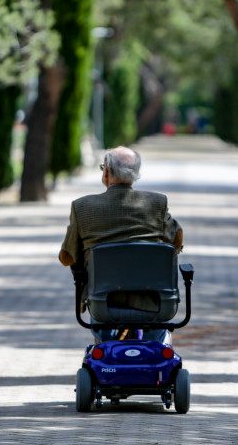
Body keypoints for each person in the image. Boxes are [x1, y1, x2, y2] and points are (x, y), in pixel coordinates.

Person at [59, 146, 183, 343]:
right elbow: (176, 239)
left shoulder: (82, 207)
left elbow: (67, 257)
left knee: (101, 334)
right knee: (158, 336)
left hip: (104, 305)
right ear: (135, 175)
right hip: (153, 303)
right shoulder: (156, 203)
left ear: (106, 171)